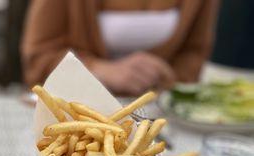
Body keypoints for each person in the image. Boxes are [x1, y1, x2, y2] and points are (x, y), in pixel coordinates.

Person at [21, 0, 220, 95]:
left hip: (155, 120)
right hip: (73, 110)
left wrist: (168, 79)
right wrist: (100, 70)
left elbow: (195, 51)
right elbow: (37, 58)